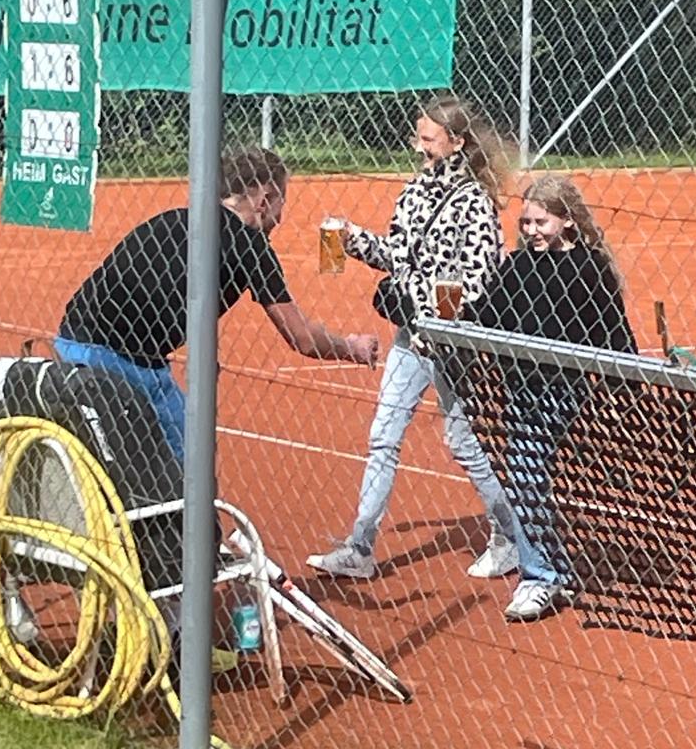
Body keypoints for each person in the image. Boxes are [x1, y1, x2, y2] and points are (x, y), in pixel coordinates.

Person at [306, 92, 520, 583]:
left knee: (464, 442)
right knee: (383, 437)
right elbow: (397, 257)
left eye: (427, 138)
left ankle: (510, 536)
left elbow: (479, 281)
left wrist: (422, 305)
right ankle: (360, 548)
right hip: (412, 338)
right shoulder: (414, 191)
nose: (418, 146)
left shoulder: (475, 203)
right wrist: (353, 239)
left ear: (456, 142)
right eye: (417, 136)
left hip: (455, 343)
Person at [55, 147, 378, 464]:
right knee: (184, 461)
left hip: (72, 340)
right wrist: (351, 347)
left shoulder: (174, 218)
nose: (279, 220)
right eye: (281, 204)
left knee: (157, 447)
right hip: (123, 364)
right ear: (264, 199)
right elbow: (302, 337)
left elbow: (163, 291)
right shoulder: (250, 247)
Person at [463, 174, 636, 623]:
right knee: (526, 476)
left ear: (567, 221)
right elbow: (488, 314)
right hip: (518, 387)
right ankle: (552, 568)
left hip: (561, 387)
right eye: (526, 223)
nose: (532, 230)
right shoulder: (518, 265)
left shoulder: (588, 267)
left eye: (542, 222)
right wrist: (450, 321)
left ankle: (539, 575)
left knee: (524, 473)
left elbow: (612, 327)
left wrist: (630, 383)